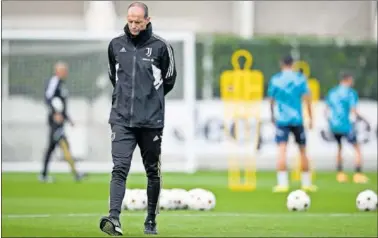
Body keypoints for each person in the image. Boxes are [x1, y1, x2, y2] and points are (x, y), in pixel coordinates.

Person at [99, 2, 177, 236]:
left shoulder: (162, 47)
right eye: (130, 20)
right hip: (121, 119)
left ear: (147, 20)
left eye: (137, 21)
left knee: (152, 171)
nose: (133, 25)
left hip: (150, 122)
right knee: (119, 168)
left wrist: (150, 101)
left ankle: (151, 220)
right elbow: (115, 77)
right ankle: (114, 218)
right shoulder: (115, 45)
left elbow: (169, 80)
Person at [267, 55, 317, 193]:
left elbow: (271, 100)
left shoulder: (276, 79)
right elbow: (307, 99)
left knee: (282, 150)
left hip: (282, 120)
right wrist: (311, 118)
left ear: (281, 63)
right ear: (293, 64)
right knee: (302, 150)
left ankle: (282, 184)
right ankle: (306, 184)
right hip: (297, 119)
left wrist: (272, 116)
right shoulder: (300, 78)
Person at [40, 62, 85, 183]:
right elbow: (48, 98)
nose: (66, 72)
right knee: (64, 145)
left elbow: (62, 105)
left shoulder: (61, 84)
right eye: (64, 70)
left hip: (60, 122)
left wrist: (69, 119)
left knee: (52, 147)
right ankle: (76, 173)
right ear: (58, 71)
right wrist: (55, 113)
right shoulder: (54, 81)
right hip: (55, 122)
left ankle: (43, 175)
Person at [325, 72, 369, 184]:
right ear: (348, 80)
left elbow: (326, 110)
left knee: (339, 147)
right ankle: (358, 174)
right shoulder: (350, 93)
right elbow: (353, 111)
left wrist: (330, 121)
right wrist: (364, 120)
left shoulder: (333, 92)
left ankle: (340, 174)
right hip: (346, 125)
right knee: (357, 148)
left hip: (334, 125)